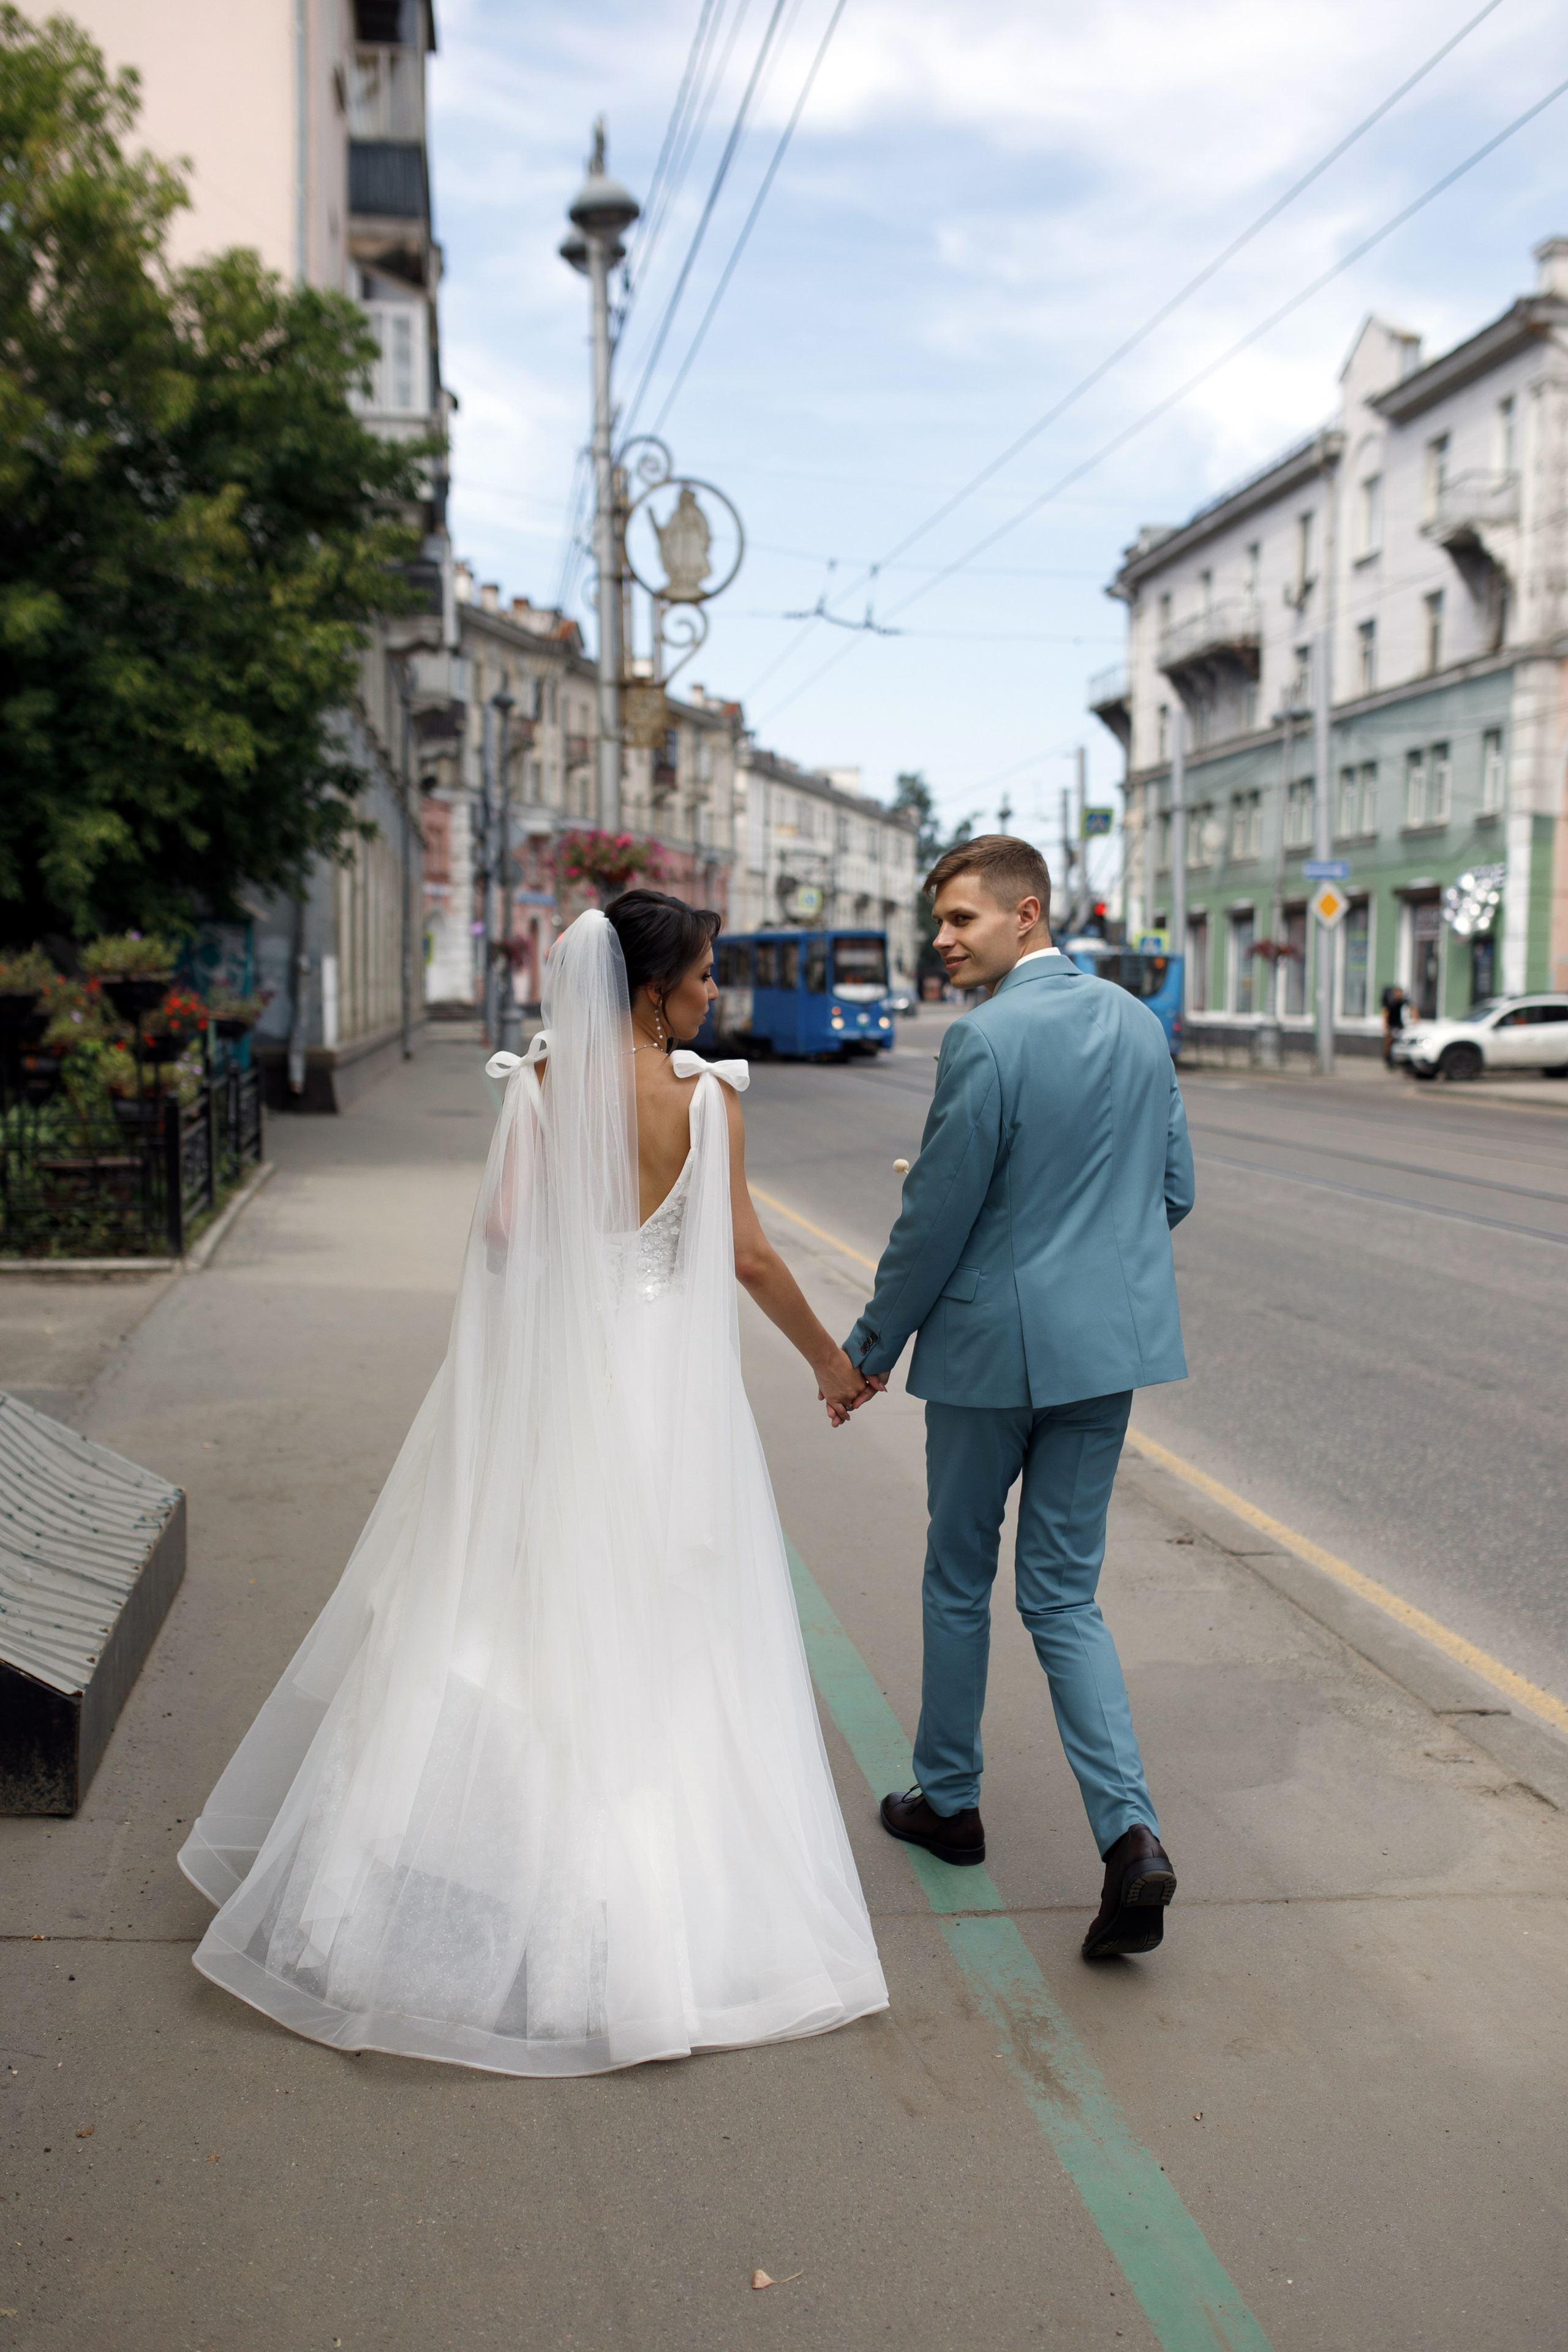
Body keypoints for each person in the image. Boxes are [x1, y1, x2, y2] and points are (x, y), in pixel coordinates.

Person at [179, 895, 887, 2073]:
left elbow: (505, 1235)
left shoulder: (543, 1086)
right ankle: (649, 1911)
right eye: (704, 976)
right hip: (668, 1396)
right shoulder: (706, 1101)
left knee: (519, 1611)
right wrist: (832, 1362)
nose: (713, 993)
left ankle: (469, 1871)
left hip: (564, 1384)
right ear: (653, 988)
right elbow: (749, 1256)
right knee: (671, 1624)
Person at [842, 837, 1194, 1961]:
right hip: (1107, 1355)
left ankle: (948, 1802)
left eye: (959, 920)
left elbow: (936, 1221)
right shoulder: (1140, 1026)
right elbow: (1173, 1191)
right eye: (938, 922)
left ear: (1026, 915)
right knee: (1063, 1596)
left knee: (958, 1573)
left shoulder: (985, 1039)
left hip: (995, 1355)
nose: (941, 939)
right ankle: (1130, 1836)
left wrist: (867, 1345)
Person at [1382, 982, 1408, 1065]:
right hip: (1391, 1024)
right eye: (1397, 993)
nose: (1399, 995)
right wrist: (1385, 1025)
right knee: (1389, 1039)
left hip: (1399, 1024)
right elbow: (1386, 1013)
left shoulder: (1403, 1001)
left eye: (1400, 993)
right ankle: (1387, 1056)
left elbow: (1413, 1008)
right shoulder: (1391, 1002)